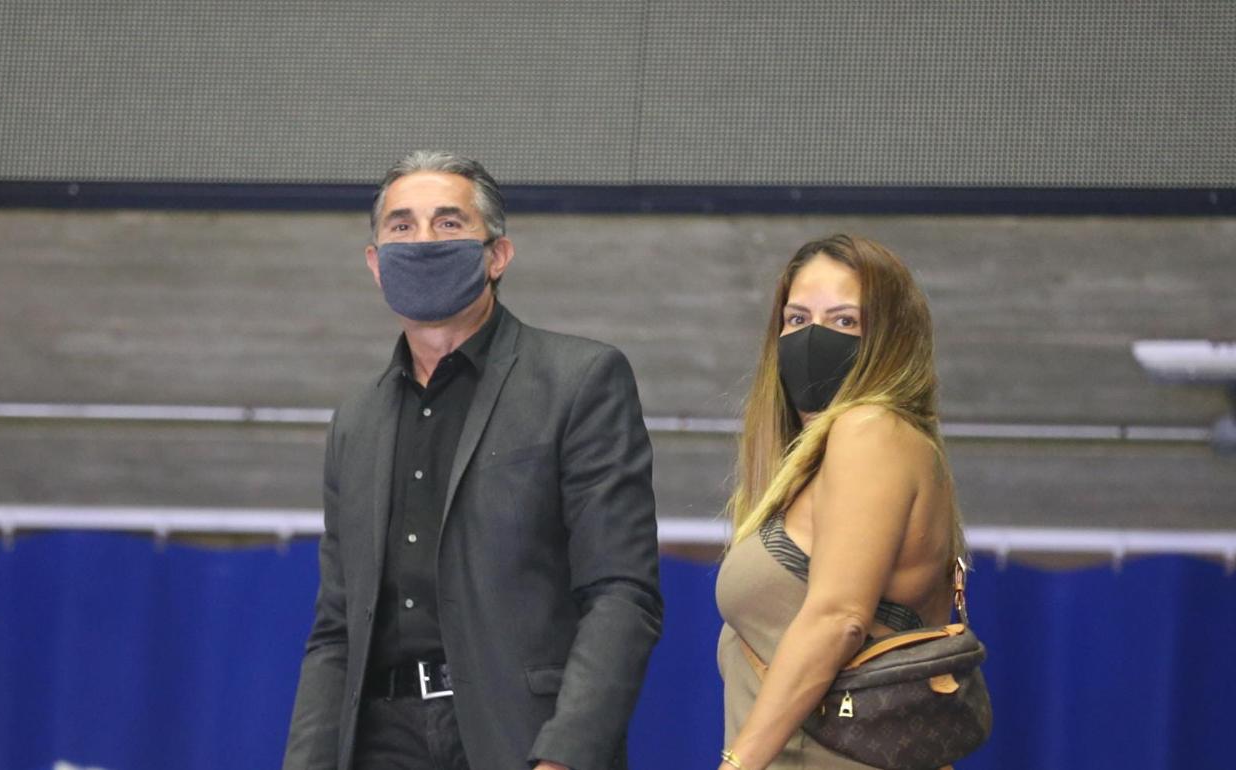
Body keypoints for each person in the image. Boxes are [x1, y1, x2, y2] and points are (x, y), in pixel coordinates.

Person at [283, 151, 663, 770]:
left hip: (517, 740)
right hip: (380, 741)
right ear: (376, 265)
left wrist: (565, 754)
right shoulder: (356, 419)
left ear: (497, 256)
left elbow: (621, 593)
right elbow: (336, 629)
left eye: (448, 223)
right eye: (402, 227)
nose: (423, 241)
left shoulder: (580, 379)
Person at [714, 234, 966, 770]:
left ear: (888, 338)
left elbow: (840, 618)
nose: (814, 338)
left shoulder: (868, 430)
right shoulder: (831, 458)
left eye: (845, 321)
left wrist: (736, 766)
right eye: (798, 319)